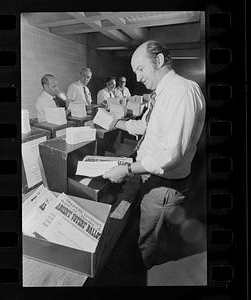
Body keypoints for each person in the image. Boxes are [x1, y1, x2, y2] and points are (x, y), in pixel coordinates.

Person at [103, 40, 206, 270]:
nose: (137, 78)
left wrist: (127, 169)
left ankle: (144, 271)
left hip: (164, 185)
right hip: (154, 179)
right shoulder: (162, 92)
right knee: (150, 228)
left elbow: (170, 155)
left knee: (150, 237)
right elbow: (147, 127)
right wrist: (117, 122)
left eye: (140, 69)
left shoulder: (180, 92)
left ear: (158, 61)